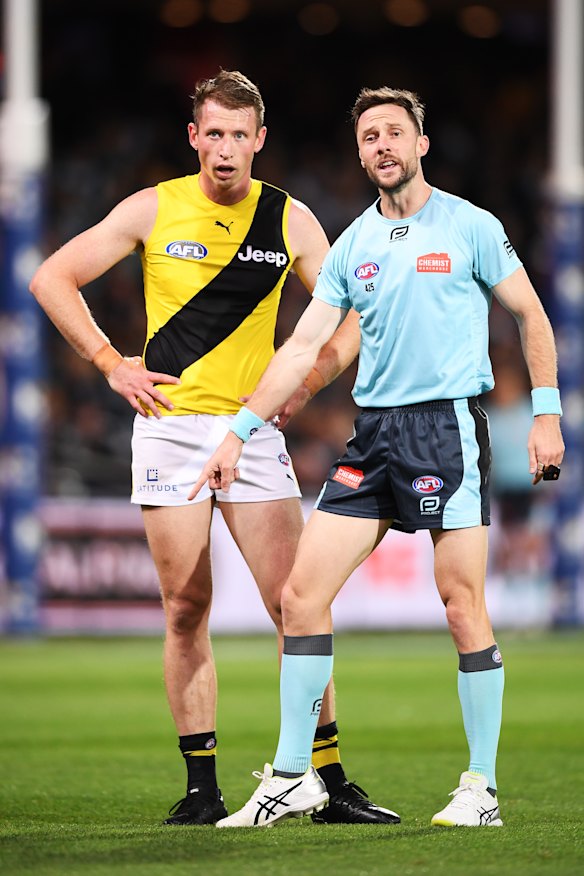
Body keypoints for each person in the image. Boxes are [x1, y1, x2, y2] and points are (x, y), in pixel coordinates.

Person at [29, 70, 400, 827]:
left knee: (296, 605)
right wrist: (111, 363)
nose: (226, 149)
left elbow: (359, 317)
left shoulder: (290, 221)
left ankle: (325, 779)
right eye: (214, 134)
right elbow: (52, 277)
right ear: (193, 136)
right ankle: (203, 789)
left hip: (251, 430)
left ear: (260, 140)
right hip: (168, 426)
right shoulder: (152, 207)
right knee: (185, 607)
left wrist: (304, 387)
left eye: (240, 135)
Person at [191, 86, 565, 828]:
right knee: (300, 597)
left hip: (446, 428)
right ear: (360, 153)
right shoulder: (355, 242)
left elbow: (531, 314)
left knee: (461, 604)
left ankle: (481, 787)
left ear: (421, 144)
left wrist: (548, 415)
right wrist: (238, 430)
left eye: (395, 132)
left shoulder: (470, 225)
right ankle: (296, 775)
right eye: (369, 137)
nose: (382, 146)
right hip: (374, 436)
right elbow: (304, 345)